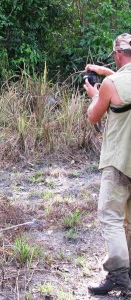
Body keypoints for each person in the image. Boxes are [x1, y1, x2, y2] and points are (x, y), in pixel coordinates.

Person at [83, 32, 131, 295]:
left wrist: (94, 93)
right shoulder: (114, 79)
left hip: (120, 159)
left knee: (110, 216)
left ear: (117, 53)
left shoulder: (111, 84)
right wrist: (107, 72)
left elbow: (93, 116)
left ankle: (119, 278)